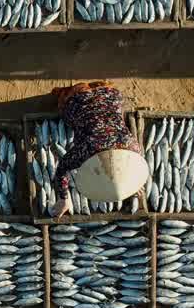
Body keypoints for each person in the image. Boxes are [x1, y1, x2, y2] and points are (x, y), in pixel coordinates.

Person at [50, 80, 148, 218]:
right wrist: (64, 199)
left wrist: (133, 183)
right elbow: (61, 170)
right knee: (63, 103)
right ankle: (79, 90)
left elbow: (134, 167)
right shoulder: (87, 151)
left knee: (113, 112)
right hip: (79, 100)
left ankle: (99, 86)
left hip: (112, 95)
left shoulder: (132, 148)